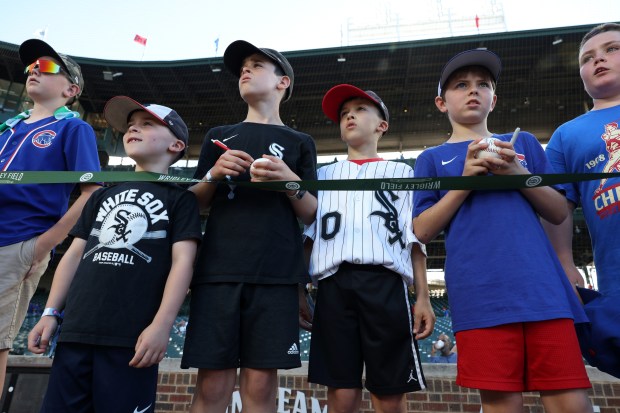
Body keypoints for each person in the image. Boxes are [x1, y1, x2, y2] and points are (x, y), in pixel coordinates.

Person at [412, 49, 593, 413]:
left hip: (544, 293)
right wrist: (463, 182)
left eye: (483, 84)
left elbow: (558, 212)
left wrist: (515, 174)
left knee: (570, 401)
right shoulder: (431, 158)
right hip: (480, 296)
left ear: (495, 99)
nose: (473, 90)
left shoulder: (522, 144)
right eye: (461, 85)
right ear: (441, 102)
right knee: (501, 405)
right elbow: (421, 229)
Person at [27, 96, 202, 413]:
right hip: (76, 330)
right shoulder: (102, 194)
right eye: (131, 125)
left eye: (147, 124)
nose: (134, 128)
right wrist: (51, 312)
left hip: (132, 339)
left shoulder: (181, 200)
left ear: (176, 145)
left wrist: (162, 325)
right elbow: (73, 256)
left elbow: (183, 262)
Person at [182, 40, 317, 413]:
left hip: (274, 276)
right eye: (243, 66)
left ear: (282, 82)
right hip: (218, 272)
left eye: (257, 65)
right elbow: (193, 203)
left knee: (260, 386)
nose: (245, 70)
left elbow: (311, 213)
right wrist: (213, 172)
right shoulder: (218, 135)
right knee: (212, 386)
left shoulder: (300, 141)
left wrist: (289, 181)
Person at [305, 84, 434, 413]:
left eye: (361, 109)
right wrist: (298, 288)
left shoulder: (402, 172)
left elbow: (414, 239)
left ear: (382, 125)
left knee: (389, 393)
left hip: (385, 282)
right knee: (341, 393)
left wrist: (422, 296)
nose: (349, 115)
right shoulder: (323, 175)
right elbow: (309, 236)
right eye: (344, 112)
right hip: (332, 283)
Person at [0, 39, 100, 393]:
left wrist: (42, 246)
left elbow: (92, 191)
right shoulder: (7, 128)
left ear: (71, 90)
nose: (36, 70)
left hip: (17, 242)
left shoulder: (74, 128)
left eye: (49, 67)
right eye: (31, 67)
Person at [542, 22, 620, 378]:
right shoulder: (567, 134)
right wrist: (563, 261)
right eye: (587, 58)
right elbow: (557, 207)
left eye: (612, 49)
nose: (599, 59)